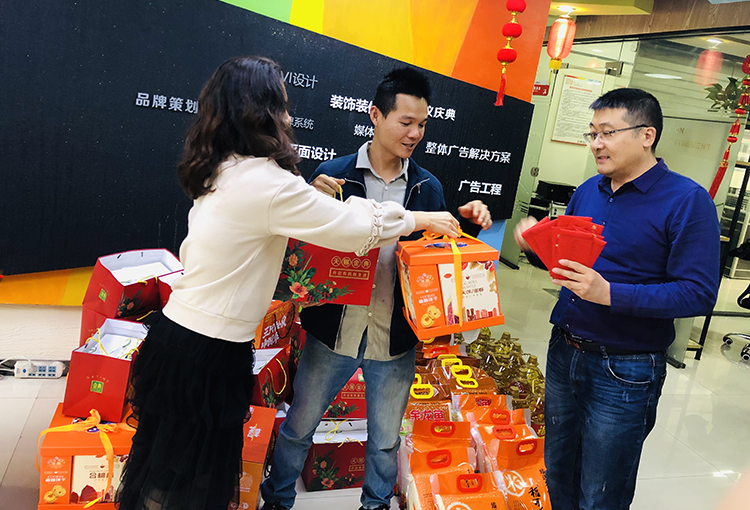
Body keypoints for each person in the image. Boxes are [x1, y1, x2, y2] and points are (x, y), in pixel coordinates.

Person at [115, 56, 460, 510]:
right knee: (190, 481)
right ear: (260, 112)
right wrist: (419, 218)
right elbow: (353, 227)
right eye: (281, 105)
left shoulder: (223, 166)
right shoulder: (270, 182)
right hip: (208, 349)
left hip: (182, 336)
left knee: (166, 470)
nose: (289, 117)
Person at [260, 67, 492, 510]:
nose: (415, 134)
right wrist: (312, 198)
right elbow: (302, 247)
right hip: (334, 331)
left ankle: (376, 504)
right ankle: (277, 498)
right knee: (298, 428)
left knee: (385, 441)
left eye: (422, 124)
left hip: (394, 336)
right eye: (405, 122)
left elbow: (435, 260)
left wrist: (467, 225)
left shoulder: (427, 187)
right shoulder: (334, 176)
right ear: (375, 115)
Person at [513, 87, 720, 510]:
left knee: (602, 491)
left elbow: (698, 293)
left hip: (625, 368)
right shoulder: (588, 190)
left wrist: (609, 293)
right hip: (564, 350)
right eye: (592, 133)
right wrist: (535, 248)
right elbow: (568, 264)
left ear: (647, 135)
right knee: (558, 473)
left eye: (607, 132)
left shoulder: (687, 200)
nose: (596, 144)